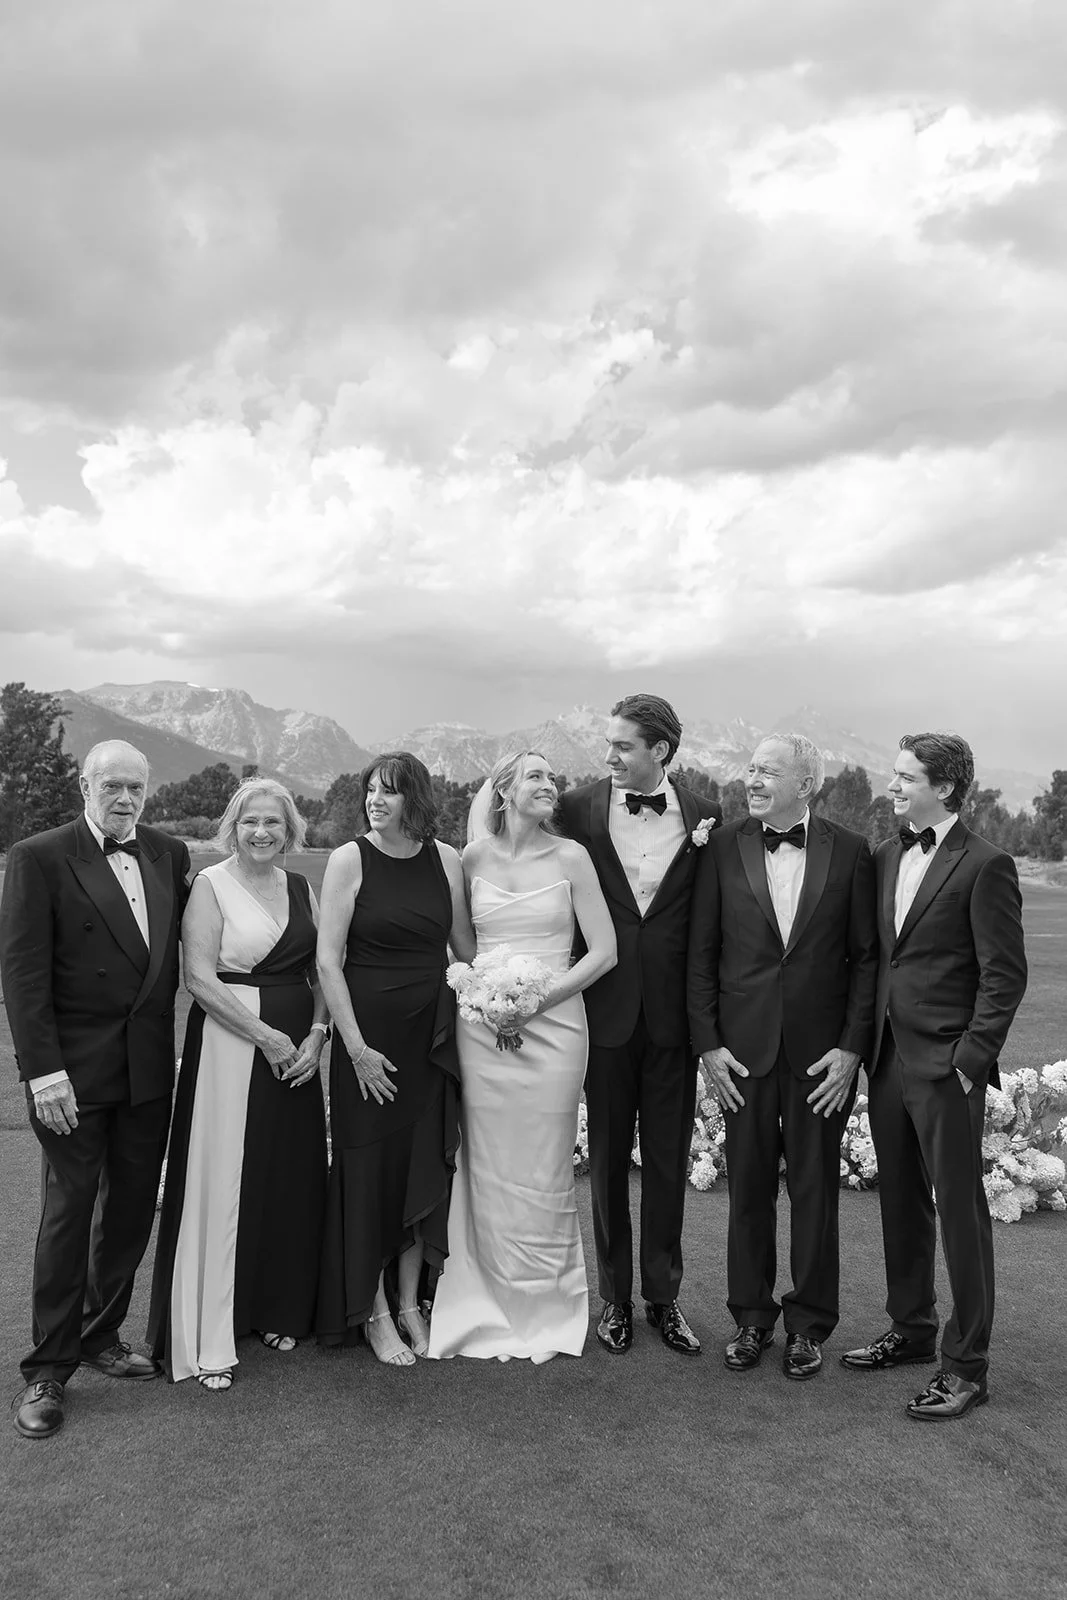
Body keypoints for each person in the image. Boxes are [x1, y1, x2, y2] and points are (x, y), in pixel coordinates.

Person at [0, 740, 190, 1439]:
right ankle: (48, 1369)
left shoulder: (170, 854)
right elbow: (22, 976)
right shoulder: (39, 856)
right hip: (70, 1076)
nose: (124, 798)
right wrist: (43, 1073)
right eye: (112, 784)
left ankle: (100, 1335)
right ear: (85, 785)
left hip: (146, 1070)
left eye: (136, 788)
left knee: (133, 1210)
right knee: (67, 1215)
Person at [842, 733, 1027, 1419]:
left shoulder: (987, 865)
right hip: (886, 1060)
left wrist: (968, 1063)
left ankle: (965, 1366)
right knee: (899, 1203)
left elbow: (1003, 975)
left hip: (946, 1067)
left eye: (904, 777)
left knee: (959, 1213)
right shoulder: (887, 854)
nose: (891, 787)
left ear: (944, 788)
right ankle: (912, 1330)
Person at [687, 734, 878, 1380]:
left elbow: (865, 961)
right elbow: (700, 954)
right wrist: (707, 1044)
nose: (753, 778)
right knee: (745, 1194)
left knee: (815, 1194)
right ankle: (749, 1320)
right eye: (751, 768)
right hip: (739, 1056)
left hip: (820, 1061)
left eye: (768, 770)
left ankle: (807, 1327)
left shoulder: (851, 853)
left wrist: (851, 1049)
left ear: (806, 783)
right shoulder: (719, 848)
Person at [428, 750, 616, 1362]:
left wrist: (535, 1001)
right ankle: (482, 1297)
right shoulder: (472, 859)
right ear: (503, 791)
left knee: (545, 1164)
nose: (550, 785)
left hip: (555, 1026)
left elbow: (604, 952)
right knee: (487, 1160)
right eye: (536, 775)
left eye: (552, 778)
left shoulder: (572, 857)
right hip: (484, 1029)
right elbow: (463, 943)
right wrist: (484, 997)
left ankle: (549, 1305)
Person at [148, 778, 328, 1391]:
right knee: (224, 1178)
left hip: (298, 1056)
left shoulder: (302, 886)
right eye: (250, 821)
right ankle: (213, 1328)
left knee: (287, 1174)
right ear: (233, 826)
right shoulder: (210, 884)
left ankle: (276, 1309)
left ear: (290, 830)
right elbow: (198, 978)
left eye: (273, 823)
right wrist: (269, 1038)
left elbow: (323, 969)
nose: (261, 832)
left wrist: (316, 1035)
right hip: (231, 1047)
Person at [557, 695, 719, 1357]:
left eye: (623, 745)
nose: (609, 756)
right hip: (603, 1010)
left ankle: (663, 1299)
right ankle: (614, 1301)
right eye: (609, 744)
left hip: (675, 1020)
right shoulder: (576, 811)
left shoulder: (707, 816)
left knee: (665, 1161)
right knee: (603, 1165)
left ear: (660, 750)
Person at [315, 753, 475, 1365]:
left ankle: (411, 1303)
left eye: (389, 792)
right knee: (369, 1175)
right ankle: (375, 1313)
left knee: (420, 1174)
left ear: (416, 799)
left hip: (429, 1041)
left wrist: (509, 995)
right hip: (369, 1043)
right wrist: (354, 1049)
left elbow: (463, 949)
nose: (375, 801)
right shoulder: (348, 859)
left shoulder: (447, 859)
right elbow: (329, 961)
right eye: (370, 791)